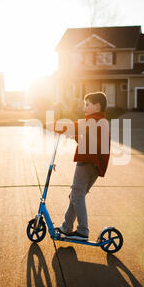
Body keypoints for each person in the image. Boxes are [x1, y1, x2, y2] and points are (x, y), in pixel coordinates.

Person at [49, 92, 111, 241]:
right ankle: (66, 226)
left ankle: (83, 231)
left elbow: (76, 126)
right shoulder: (100, 121)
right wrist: (76, 136)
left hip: (87, 163)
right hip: (94, 165)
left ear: (97, 106)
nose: (84, 107)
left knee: (77, 194)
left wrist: (56, 125)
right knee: (76, 195)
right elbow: (90, 141)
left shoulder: (94, 121)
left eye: (87, 104)